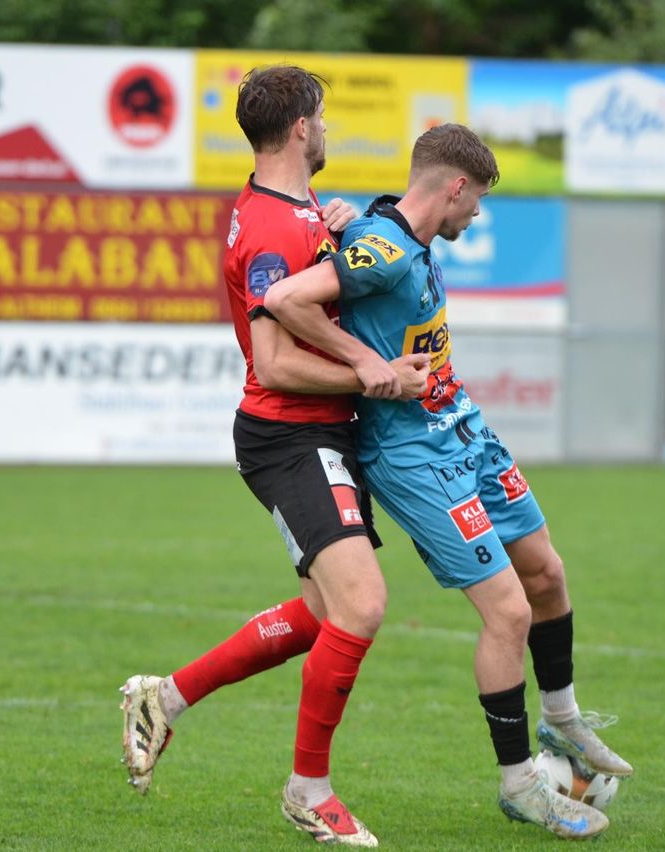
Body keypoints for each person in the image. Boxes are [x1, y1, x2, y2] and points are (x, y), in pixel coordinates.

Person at [264, 123, 633, 840]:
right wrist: (364, 366)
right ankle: (520, 784)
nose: (477, 216)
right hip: (413, 457)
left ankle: (564, 724)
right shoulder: (386, 248)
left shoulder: (400, 236)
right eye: (478, 202)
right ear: (455, 187)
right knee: (509, 613)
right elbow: (286, 299)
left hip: (466, 430)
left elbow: (361, 238)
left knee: (547, 575)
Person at [119, 64, 428, 848]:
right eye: (321, 118)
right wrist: (373, 374)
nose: (325, 131)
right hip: (290, 435)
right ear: (300, 128)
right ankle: (308, 792)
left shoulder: (295, 212)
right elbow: (276, 361)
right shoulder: (269, 228)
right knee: (361, 605)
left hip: (314, 433)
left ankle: (167, 697)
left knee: (326, 613)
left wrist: (337, 225)